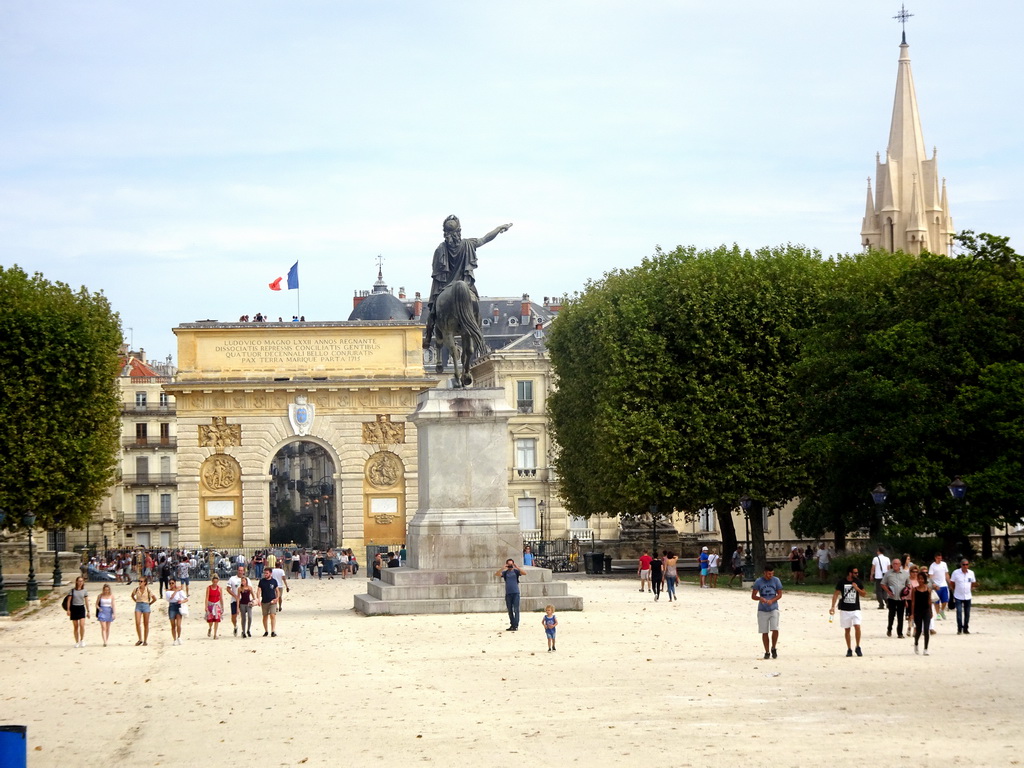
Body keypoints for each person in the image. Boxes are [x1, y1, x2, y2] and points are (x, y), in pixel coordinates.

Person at [423, 215, 513, 348]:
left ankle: (428, 336)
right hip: (466, 285)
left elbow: (436, 272)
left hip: (445, 287)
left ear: (445, 233)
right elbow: (485, 239)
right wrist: (498, 228)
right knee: (475, 304)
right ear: (459, 231)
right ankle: (477, 329)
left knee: (433, 312)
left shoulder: (440, 249)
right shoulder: (468, 244)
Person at [829, 566, 866, 657]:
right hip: (845, 609)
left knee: (857, 626)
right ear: (850, 573)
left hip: (855, 608)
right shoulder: (842, 582)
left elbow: (864, 594)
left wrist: (857, 588)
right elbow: (836, 594)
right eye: (855, 573)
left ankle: (858, 646)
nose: (857, 574)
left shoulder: (858, 582)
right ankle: (849, 648)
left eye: (857, 573)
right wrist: (832, 606)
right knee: (847, 629)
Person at [751, 564, 782, 659]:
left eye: (772, 574)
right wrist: (760, 598)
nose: (770, 575)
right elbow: (753, 596)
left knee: (775, 628)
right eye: (769, 574)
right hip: (762, 609)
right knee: (764, 631)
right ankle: (767, 651)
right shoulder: (758, 582)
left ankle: (773, 647)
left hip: (773, 608)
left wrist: (772, 600)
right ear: (764, 573)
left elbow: (780, 594)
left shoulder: (776, 580)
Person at [881, 556, 910, 638]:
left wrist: (907, 590)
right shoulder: (888, 573)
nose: (895, 565)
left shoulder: (905, 574)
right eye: (894, 563)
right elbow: (883, 583)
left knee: (900, 616)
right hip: (891, 598)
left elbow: (908, 583)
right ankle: (889, 628)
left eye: (897, 563)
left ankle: (900, 633)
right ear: (892, 564)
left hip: (901, 598)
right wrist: (888, 591)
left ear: (900, 564)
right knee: (891, 614)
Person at [949, 559, 978, 635]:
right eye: (964, 565)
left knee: (967, 613)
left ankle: (966, 628)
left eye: (967, 564)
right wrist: (955, 589)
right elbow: (952, 583)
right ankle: (959, 628)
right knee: (959, 612)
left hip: (968, 596)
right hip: (958, 595)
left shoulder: (971, 573)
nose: (965, 566)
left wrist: (969, 589)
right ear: (961, 565)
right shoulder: (956, 573)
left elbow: (973, 583)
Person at [495, 559, 524, 631]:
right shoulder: (505, 573)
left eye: (511, 564)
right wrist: (503, 568)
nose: (510, 566)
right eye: (509, 564)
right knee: (510, 610)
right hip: (508, 593)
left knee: (516, 609)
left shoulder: (516, 571)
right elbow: (497, 574)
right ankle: (512, 624)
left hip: (515, 592)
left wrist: (517, 567)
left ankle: (516, 625)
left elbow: (524, 573)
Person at [910, 569, 934, 655]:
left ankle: (925, 648)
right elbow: (913, 602)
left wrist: (931, 611)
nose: (920, 580)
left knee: (926, 629)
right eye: (919, 578)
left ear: (925, 580)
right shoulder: (915, 590)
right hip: (917, 611)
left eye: (922, 579)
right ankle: (916, 643)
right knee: (919, 630)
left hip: (926, 611)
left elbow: (929, 601)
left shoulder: (928, 590)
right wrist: (912, 614)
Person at [131, 577, 157, 646]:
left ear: (145, 582)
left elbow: (154, 598)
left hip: (146, 605)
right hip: (138, 605)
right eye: (139, 581)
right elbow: (132, 595)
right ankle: (140, 639)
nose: (140, 582)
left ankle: (145, 640)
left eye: (141, 581)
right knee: (137, 622)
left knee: (146, 624)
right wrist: (136, 601)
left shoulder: (148, 589)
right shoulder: (136, 589)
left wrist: (149, 604)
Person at [66, 576, 90, 648]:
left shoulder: (84, 591)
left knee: (82, 625)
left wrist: (88, 611)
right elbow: (69, 600)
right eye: (79, 581)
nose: (80, 583)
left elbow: (86, 601)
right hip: (74, 608)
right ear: (76, 582)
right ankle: (77, 641)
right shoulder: (72, 590)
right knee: (76, 626)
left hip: (81, 607)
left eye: (81, 581)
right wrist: (68, 609)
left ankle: (82, 640)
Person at [258, 567, 281, 637]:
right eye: (264, 573)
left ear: (270, 573)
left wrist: (277, 598)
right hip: (264, 601)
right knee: (265, 616)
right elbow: (258, 591)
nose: (265, 574)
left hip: (272, 601)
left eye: (267, 573)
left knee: (272, 615)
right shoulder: (262, 581)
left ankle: (273, 631)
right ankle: (266, 630)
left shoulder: (274, 581)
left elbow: (277, 591)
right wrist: (258, 599)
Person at [927, 553, 951, 620]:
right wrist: (931, 584)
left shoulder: (944, 564)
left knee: (945, 600)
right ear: (935, 558)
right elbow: (930, 576)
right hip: (936, 585)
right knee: (936, 601)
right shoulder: (932, 566)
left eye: (940, 558)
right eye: (938, 558)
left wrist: (949, 582)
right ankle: (938, 614)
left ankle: (942, 610)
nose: (939, 559)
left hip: (944, 584)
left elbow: (946, 574)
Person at [166, 578, 187, 646]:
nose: (171, 585)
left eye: (173, 583)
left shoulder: (180, 591)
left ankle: (179, 637)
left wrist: (181, 601)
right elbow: (170, 598)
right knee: (173, 625)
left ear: (175, 583)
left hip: (178, 606)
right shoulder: (168, 592)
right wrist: (175, 591)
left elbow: (186, 599)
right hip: (172, 606)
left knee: (178, 624)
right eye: (170, 583)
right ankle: (174, 639)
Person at [227, 565, 244, 636]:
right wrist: (235, 595)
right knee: (233, 616)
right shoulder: (232, 578)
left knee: (243, 616)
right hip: (234, 600)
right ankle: (235, 626)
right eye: (239, 570)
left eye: (241, 570)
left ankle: (244, 629)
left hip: (243, 600)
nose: (240, 572)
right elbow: (228, 588)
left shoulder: (246, 579)